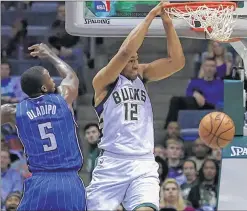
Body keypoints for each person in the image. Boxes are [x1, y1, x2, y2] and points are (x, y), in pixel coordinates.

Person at [86, 2, 185, 211]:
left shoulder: (141, 75)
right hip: (112, 163)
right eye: (131, 61)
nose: (134, 64)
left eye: (136, 60)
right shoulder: (102, 82)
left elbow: (176, 62)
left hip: (143, 163)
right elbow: (125, 52)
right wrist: (150, 16)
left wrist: (167, 22)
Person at [1, 43, 86, 211]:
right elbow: (71, 76)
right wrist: (50, 55)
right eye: (48, 76)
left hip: (40, 181)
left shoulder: (14, 111)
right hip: (69, 181)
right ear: (44, 87)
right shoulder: (63, 100)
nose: (52, 78)